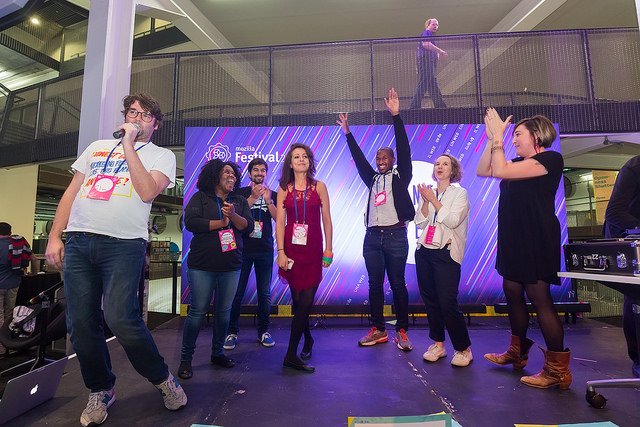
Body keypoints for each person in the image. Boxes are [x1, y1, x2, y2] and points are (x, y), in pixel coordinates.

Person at [45, 93, 187, 426]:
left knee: (121, 318)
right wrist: (55, 235)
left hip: (124, 245)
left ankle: (163, 378)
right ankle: (102, 388)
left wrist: (128, 145)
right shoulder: (94, 148)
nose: (137, 117)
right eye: (132, 112)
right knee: (79, 324)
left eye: (145, 114)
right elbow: (72, 191)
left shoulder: (161, 155)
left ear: (155, 124)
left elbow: (147, 191)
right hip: (80, 241)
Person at [477, 108, 570, 389]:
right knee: (512, 291)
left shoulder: (550, 159)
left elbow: (501, 169)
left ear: (536, 135)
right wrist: (491, 138)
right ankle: (517, 353)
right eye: (513, 135)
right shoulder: (517, 161)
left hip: (536, 238)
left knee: (539, 297)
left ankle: (558, 371)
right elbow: (484, 170)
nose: (513, 140)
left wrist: (498, 138)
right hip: (514, 238)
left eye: (518, 134)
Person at [337, 88, 414, 352]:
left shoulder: (400, 176)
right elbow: (359, 160)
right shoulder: (372, 180)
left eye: (385, 158)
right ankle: (378, 329)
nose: (380, 161)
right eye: (378, 158)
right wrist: (347, 134)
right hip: (372, 238)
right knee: (374, 285)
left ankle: (402, 330)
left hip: (395, 237)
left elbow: (404, 150)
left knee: (398, 284)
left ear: (392, 161)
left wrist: (396, 116)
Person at [179, 159, 253, 379]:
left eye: (234, 174)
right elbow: (191, 222)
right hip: (202, 266)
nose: (232, 176)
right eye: (226, 172)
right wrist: (220, 224)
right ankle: (185, 359)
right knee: (197, 312)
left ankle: (218, 353)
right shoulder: (200, 197)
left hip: (231, 266)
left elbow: (247, 227)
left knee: (223, 313)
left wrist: (232, 216)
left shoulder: (239, 200)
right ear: (214, 175)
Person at [276, 143, 333, 373]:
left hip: (313, 250)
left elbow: (327, 219)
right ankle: (307, 339)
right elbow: (280, 222)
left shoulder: (319, 187)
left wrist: (329, 249)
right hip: (291, 251)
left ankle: (290, 354)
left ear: (309, 161)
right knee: (299, 304)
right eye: (296, 157)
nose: (301, 159)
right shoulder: (284, 189)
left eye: (304, 156)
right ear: (290, 163)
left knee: (305, 302)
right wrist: (280, 252)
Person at [414, 155, 472, 367]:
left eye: (445, 164)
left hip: (446, 252)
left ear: (453, 169)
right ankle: (438, 344)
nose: (440, 166)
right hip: (424, 251)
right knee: (430, 300)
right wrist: (426, 201)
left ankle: (463, 348)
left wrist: (434, 200)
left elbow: (453, 220)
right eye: (437, 164)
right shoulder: (429, 191)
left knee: (447, 301)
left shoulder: (460, 193)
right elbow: (420, 222)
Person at [225, 158, 277, 350]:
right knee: (237, 293)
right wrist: (254, 198)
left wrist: (268, 201)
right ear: (249, 174)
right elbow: (233, 215)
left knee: (265, 294)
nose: (260, 173)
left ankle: (263, 331)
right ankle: (231, 332)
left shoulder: (272, 193)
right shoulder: (240, 194)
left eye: (263, 170)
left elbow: (280, 218)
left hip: (265, 249)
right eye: (256, 170)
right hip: (243, 249)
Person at [603, 154, 640, 378]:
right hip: (628, 244)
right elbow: (614, 213)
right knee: (636, 295)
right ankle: (637, 361)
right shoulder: (635, 166)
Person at [0, 222, 38, 353]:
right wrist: (34, 272)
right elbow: (34, 259)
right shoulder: (19, 243)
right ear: (10, 232)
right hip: (13, 283)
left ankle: (1, 347)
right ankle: (9, 343)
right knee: (10, 313)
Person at [409, 18, 447, 109]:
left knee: (432, 84)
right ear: (428, 25)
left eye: (437, 25)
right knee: (424, 82)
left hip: (429, 62)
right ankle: (414, 106)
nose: (436, 26)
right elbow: (426, 44)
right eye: (433, 24)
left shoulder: (431, 37)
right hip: (426, 61)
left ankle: (440, 106)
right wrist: (440, 51)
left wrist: (437, 54)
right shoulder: (426, 33)